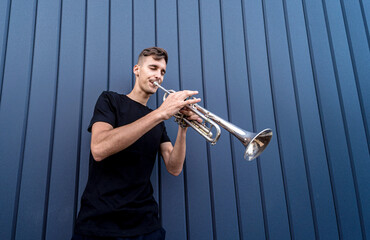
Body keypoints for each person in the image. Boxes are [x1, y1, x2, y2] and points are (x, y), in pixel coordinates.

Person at [72, 47, 201, 240]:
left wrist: (183, 127)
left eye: (162, 71)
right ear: (137, 69)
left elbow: (174, 168)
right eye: (153, 68)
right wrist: (160, 113)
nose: (158, 76)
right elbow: (99, 148)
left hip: (146, 226)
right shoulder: (110, 100)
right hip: (98, 223)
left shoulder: (158, 121)